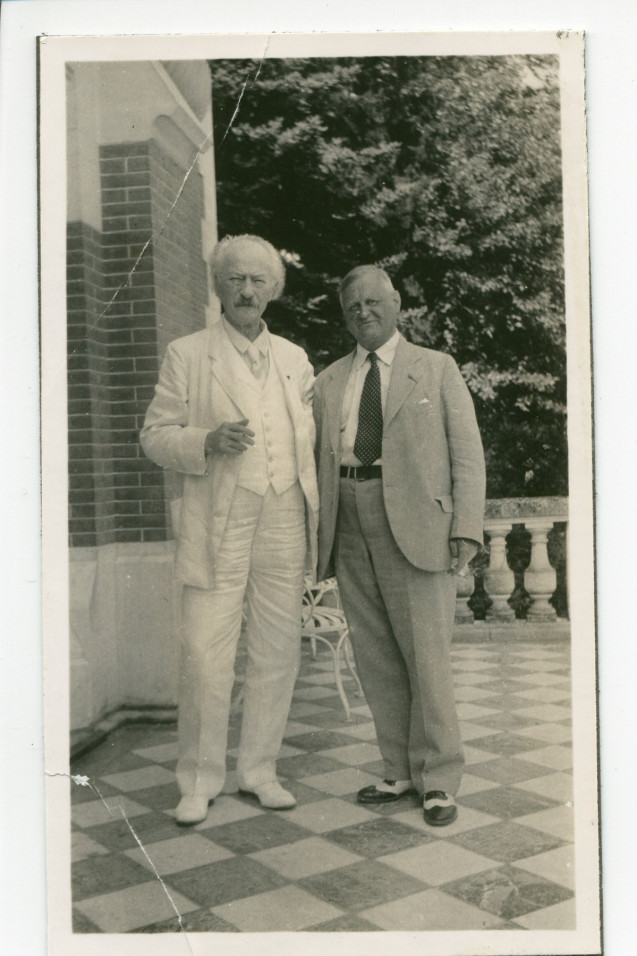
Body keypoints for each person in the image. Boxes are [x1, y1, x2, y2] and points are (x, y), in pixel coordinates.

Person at [141, 234, 318, 825]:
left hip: (284, 511)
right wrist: (205, 441)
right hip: (219, 515)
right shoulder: (188, 354)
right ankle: (198, 778)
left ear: (274, 289)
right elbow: (154, 435)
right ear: (218, 285)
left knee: (275, 647)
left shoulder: (294, 358)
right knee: (204, 651)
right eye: (236, 278)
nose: (247, 290)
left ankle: (260, 769)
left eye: (258, 281)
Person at [313, 265, 485, 827]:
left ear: (396, 303)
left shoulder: (435, 368)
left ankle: (439, 778)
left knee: (426, 655)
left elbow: (467, 454)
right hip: (349, 516)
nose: (362, 312)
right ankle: (398, 768)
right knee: (376, 654)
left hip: (416, 524)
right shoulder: (330, 378)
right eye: (351, 306)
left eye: (372, 301)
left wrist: (466, 527)